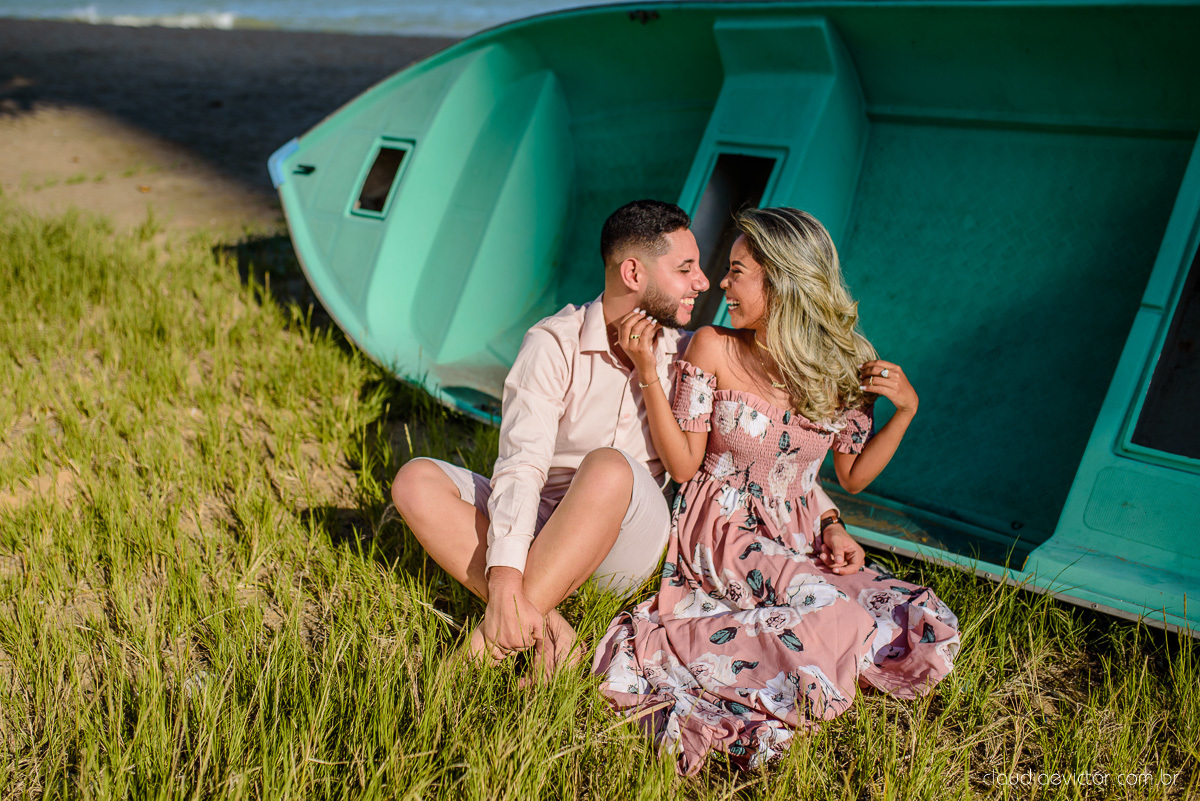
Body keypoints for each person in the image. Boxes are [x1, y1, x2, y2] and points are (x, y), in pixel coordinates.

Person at [392, 200, 844, 673]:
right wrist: (504, 578)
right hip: (549, 515)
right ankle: (546, 622)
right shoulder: (553, 344)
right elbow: (522, 463)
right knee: (415, 480)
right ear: (633, 272)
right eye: (685, 269)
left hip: (629, 536)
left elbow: (760, 446)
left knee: (608, 466)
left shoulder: (690, 352)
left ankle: (472, 663)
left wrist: (829, 516)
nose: (704, 282)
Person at [593, 206, 961, 774]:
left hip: (801, 530)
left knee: (914, 617)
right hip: (721, 530)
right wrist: (647, 371)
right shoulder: (713, 346)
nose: (721, 283)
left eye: (737, 271)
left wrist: (905, 412)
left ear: (782, 281)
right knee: (833, 617)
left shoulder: (845, 368)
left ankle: (810, 659)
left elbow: (851, 476)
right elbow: (687, 467)